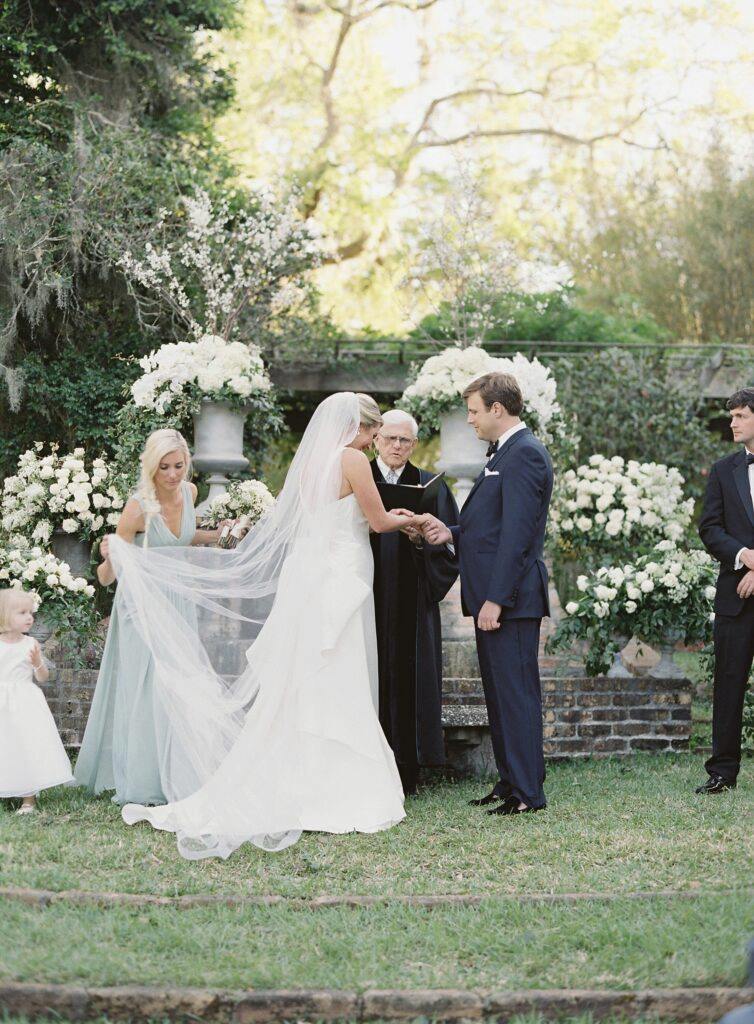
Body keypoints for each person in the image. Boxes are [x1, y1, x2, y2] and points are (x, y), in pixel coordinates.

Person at [112, 393, 413, 859]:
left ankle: (298, 780)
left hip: (312, 577)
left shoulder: (314, 460)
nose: (376, 442)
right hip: (343, 575)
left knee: (303, 679)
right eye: (375, 433)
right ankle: (336, 789)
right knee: (341, 672)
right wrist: (416, 518)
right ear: (361, 428)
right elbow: (377, 521)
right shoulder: (353, 458)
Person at [415, 372, 553, 816]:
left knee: (516, 694)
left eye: (474, 411)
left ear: (498, 409)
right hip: (496, 598)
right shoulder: (505, 453)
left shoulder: (525, 454)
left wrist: (497, 599)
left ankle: (529, 794)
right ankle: (512, 781)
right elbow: (488, 528)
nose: (470, 419)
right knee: (500, 694)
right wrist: (448, 532)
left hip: (509, 601)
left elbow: (517, 537)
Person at [75, 428, 230, 806]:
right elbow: (106, 576)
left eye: (179, 465)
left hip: (178, 600)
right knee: (149, 686)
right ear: (151, 467)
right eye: (165, 467)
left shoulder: (190, 493)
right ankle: (145, 779)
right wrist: (111, 554)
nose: (174, 474)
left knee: (182, 681)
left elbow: (184, 538)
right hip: (141, 606)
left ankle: (177, 770)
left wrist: (220, 534)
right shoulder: (138, 506)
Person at [370, 409, 459, 794]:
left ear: (415, 444)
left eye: (405, 440)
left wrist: (422, 540)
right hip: (365, 593)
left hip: (412, 597)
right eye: (390, 438)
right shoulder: (359, 481)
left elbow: (451, 544)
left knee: (411, 675)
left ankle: (408, 768)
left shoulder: (429, 486)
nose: (397, 446)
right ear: (375, 438)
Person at [697, 387, 754, 795]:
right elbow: (710, 529)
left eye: (740, 416)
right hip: (737, 597)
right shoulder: (722, 470)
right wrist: (744, 555)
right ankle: (722, 772)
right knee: (729, 683)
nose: (732, 423)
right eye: (731, 416)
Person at [0, 589, 74, 813]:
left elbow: (42, 677)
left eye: (31, 612)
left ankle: (28, 799)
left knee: (26, 745)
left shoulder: (31, 644)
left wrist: (38, 663)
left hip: (24, 701)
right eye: (22, 612)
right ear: (4, 615)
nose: (29, 617)